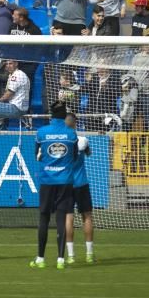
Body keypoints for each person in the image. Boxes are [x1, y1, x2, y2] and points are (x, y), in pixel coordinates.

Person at [30, 101, 78, 270]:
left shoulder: (42, 132)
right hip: (65, 180)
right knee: (61, 218)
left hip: (47, 180)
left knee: (44, 217)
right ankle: (60, 259)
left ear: (51, 115)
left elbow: (37, 153)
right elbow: (74, 155)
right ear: (65, 115)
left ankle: (40, 258)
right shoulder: (71, 134)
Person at [64, 112, 95, 264]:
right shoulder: (83, 140)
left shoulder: (61, 143)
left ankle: (71, 256)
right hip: (81, 183)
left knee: (68, 217)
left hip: (66, 184)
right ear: (75, 123)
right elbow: (89, 154)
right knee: (87, 217)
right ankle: (89, 254)